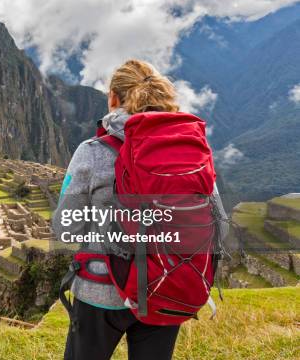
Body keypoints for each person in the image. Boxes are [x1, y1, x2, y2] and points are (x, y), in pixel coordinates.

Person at [52, 59, 228, 360]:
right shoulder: (191, 151)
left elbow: (65, 228)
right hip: (168, 285)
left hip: (101, 290)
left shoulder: (92, 152)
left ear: (113, 98)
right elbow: (220, 225)